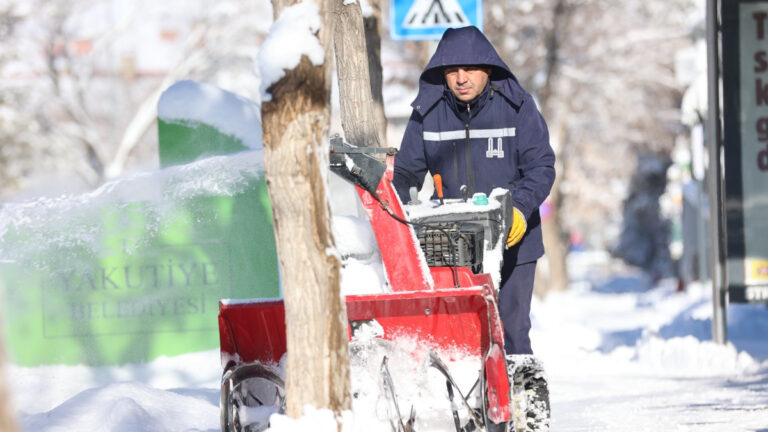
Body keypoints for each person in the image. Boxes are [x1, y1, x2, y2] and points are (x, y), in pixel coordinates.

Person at [393, 26, 555, 359]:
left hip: (514, 241)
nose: (461, 78)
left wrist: (519, 209)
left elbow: (541, 168)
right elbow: (407, 173)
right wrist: (398, 215)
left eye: (470, 69)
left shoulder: (518, 106)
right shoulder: (428, 113)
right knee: (459, 336)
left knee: (512, 331)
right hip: (452, 246)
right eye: (452, 71)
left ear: (488, 70)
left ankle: (519, 402)